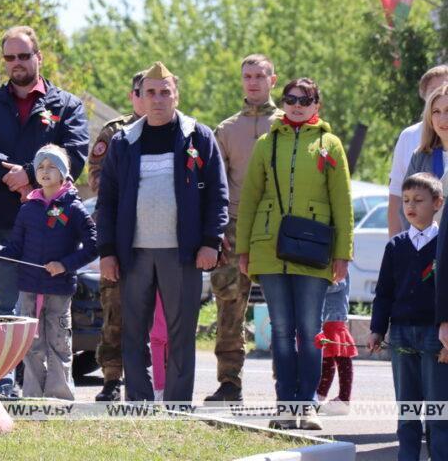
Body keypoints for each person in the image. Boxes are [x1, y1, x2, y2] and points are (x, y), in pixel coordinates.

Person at [0, 25, 89, 397]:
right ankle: (1, 384)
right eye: (10, 58)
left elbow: (75, 156)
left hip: (51, 228)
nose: (17, 64)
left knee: (49, 317)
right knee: (0, 306)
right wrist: (18, 177)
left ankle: (48, 390)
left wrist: (30, 175)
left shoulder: (67, 105)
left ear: (39, 57)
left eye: (23, 56)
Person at [97, 61, 229, 402]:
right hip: (133, 254)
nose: (158, 99)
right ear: (140, 97)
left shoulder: (198, 136)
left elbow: (217, 193)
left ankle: (177, 403)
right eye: (151, 93)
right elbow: (107, 201)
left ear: (176, 95)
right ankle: (138, 401)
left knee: (181, 332)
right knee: (133, 333)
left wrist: (210, 242)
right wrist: (108, 251)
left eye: (165, 92)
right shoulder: (124, 141)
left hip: (183, 253)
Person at [237, 77, 353, 430]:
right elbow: (250, 200)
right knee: (282, 330)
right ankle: (285, 405)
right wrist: (243, 249)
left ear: (317, 104)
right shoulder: (265, 143)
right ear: (283, 101)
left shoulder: (330, 145)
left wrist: (343, 253)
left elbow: (342, 203)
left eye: (306, 99)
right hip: (269, 249)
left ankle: (307, 405)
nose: (297, 104)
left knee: (311, 329)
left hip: (315, 251)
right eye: (291, 98)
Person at [0, 144, 97, 400]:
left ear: (64, 174)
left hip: (58, 290)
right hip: (28, 289)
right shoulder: (27, 209)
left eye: (52, 167)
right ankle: (33, 396)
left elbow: (94, 245)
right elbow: (16, 249)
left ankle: (59, 397)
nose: (45, 171)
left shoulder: (74, 208)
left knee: (59, 343)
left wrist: (65, 265)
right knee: (30, 346)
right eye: (40, 167)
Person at [206, 54, 281, 404]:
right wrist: (216, 228)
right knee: (229, 307)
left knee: (284, 310)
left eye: (259, 76)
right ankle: (229, 382)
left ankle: (288, 384)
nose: (252, 82)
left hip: (277, 229)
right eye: (247, 76)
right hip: (234, 227)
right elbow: (215, 184)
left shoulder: (289, 123)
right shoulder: (226, 129)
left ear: (273, 80)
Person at [369, 173, 448, 461]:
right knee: (407, 408)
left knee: (439, 410)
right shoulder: (396, 246)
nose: (410, 206)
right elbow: (384, 293)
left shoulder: (443, 244)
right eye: (405, 201)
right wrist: (377, 329)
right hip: (401, 332)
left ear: (438, 202)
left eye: (418, 200)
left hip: (434, 335)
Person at [89, 73, 145, 402]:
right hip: (119, 230)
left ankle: (150, 377)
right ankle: (112, 377)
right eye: (142, 92)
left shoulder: (176, 128)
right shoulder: (115, 131)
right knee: (114, 307)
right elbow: (96, 175)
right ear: (132, 95)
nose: (149, 98)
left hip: (158, 233)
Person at [388, 65, 448, 236]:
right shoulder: (420, 154)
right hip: (427, 249)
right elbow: (402, 202)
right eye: (436, 111)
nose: (443, 118)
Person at [404, 84, 448, 223]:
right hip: (429, 243)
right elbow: (407, 208)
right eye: (436, 111)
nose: (443, 119)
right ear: (429, 117)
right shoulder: (420, 157)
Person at [315, 274, 357, 415]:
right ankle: (320, 396)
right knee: (327, 359)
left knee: (342, 358)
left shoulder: (339, 263)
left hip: (333, 317)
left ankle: (344, 400)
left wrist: (310, 286)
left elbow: (338, 284)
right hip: (324, 316)